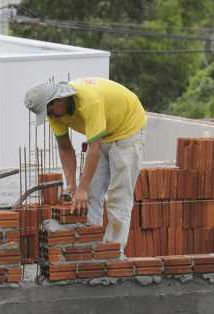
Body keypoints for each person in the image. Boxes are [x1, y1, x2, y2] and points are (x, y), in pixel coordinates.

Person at [23, 77, 146, 253]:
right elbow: (65, 148)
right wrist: (73, 185)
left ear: (59, 99)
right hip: (104, 132)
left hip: (128, 127)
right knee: (89, 194)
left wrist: (82, 189)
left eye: (50, 110)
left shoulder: (89, 101)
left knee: (118, 196)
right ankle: (91, 249)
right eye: (47, 113)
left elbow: (94, 148)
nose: (50, 116)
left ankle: (114, 252)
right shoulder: (56, 113)